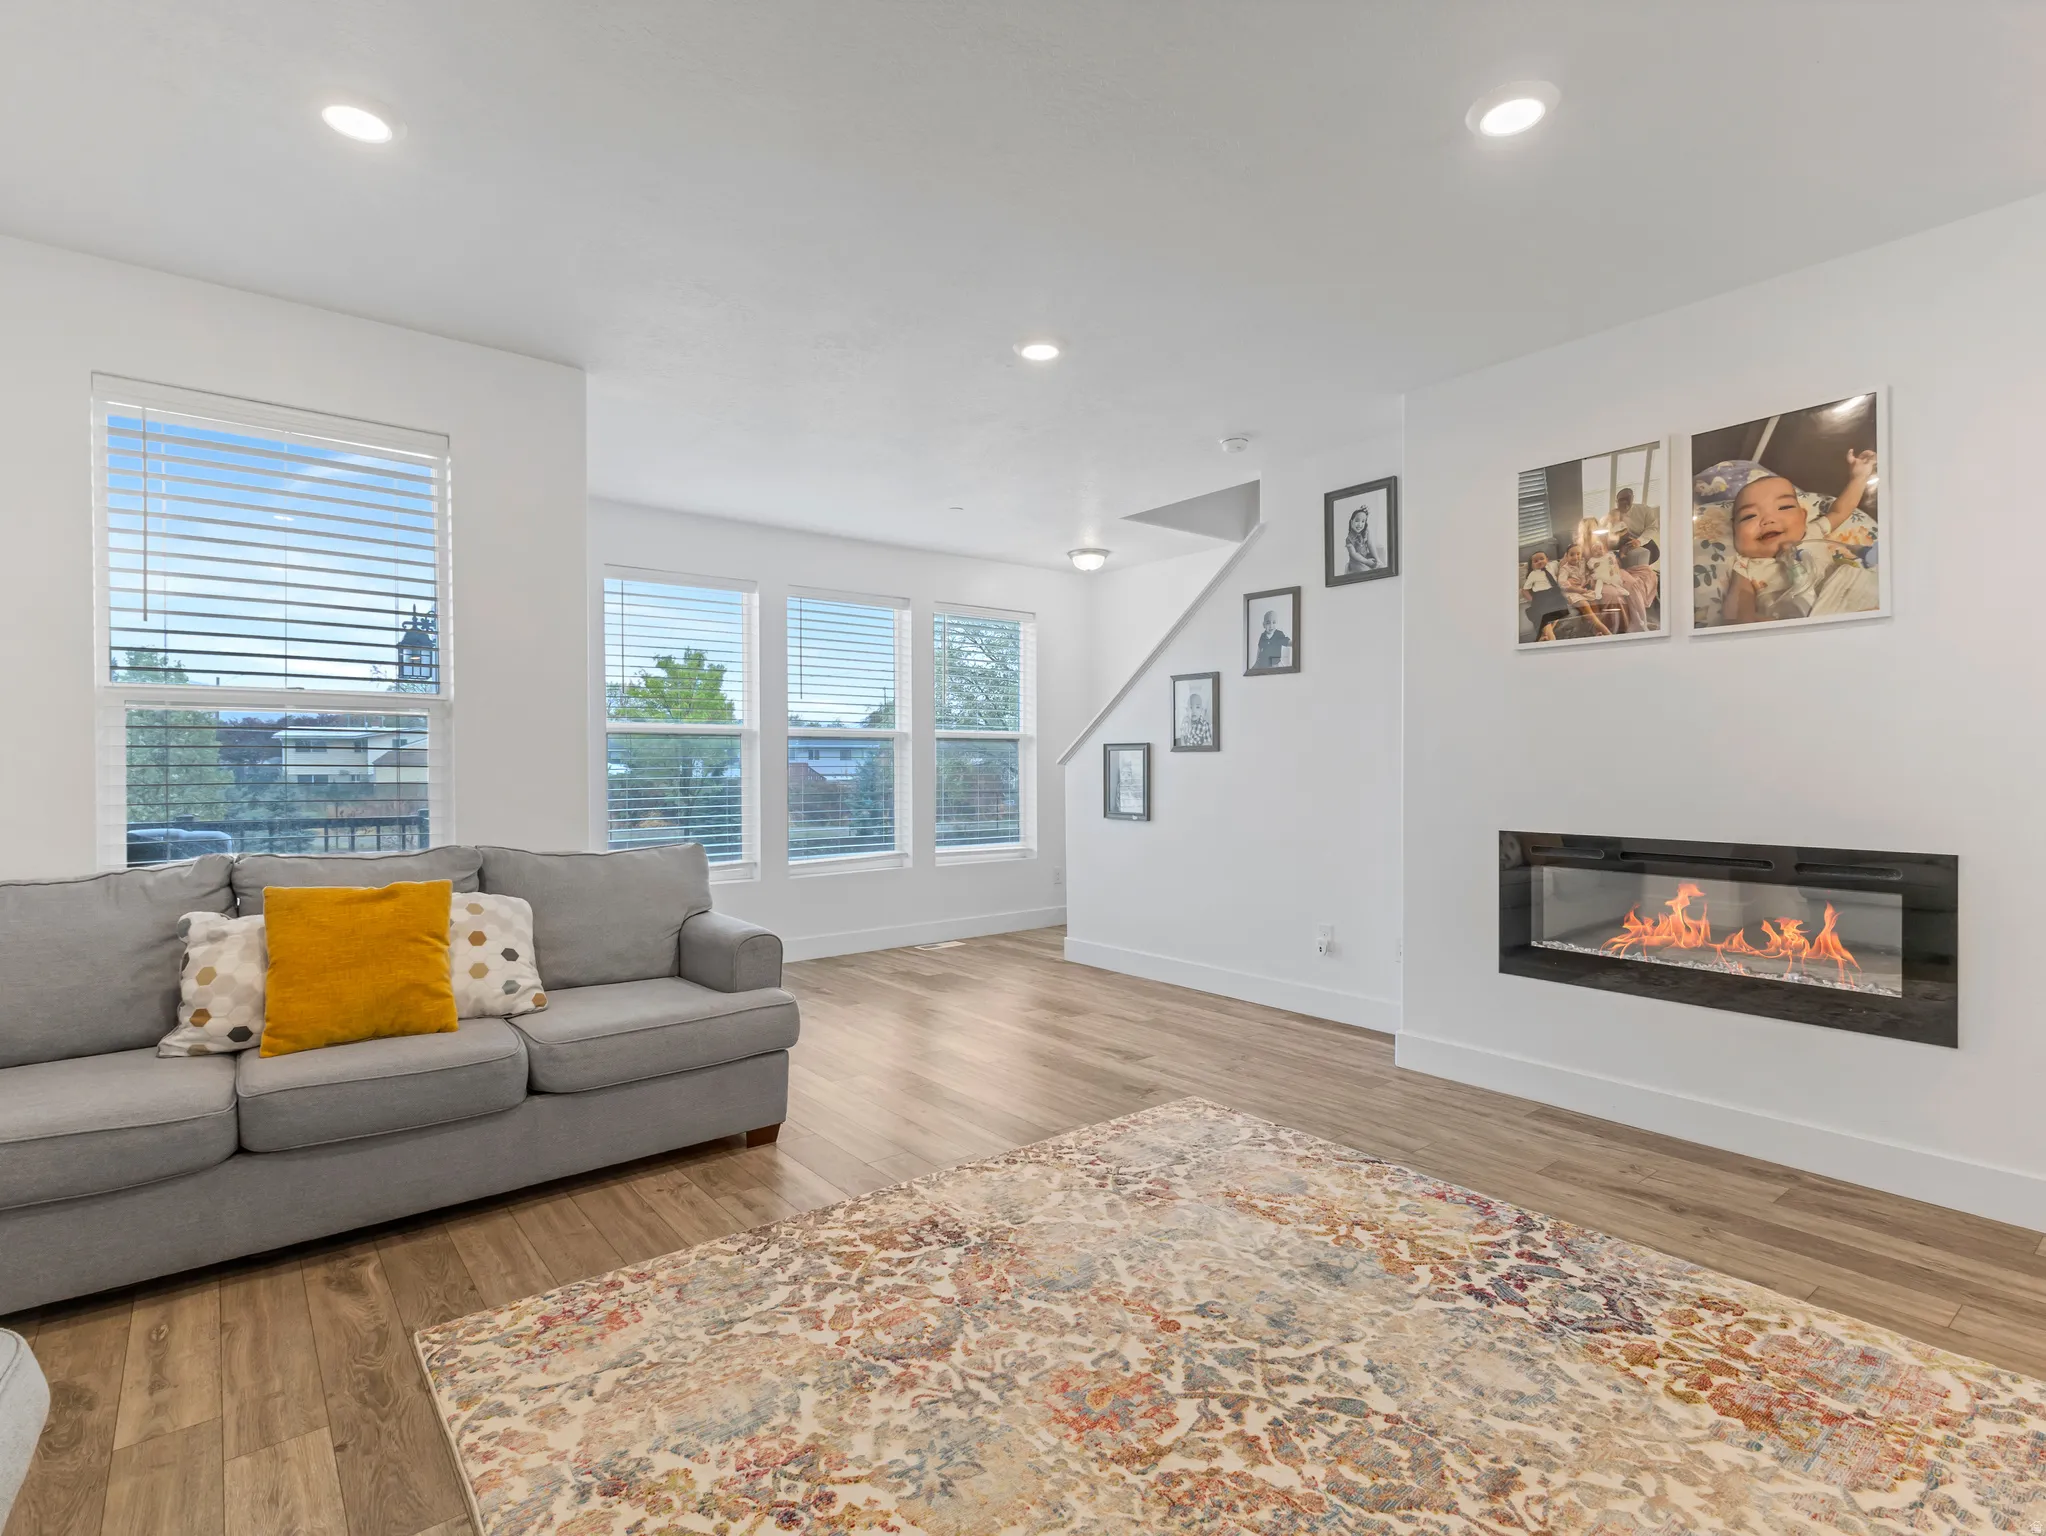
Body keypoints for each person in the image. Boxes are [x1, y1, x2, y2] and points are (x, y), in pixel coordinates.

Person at [1721, 451, 1879, 625]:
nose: (1768, 520)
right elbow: (1738, 614)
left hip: (1847, 593)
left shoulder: (1813, 532)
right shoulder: (1745, 566)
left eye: (1784, 507)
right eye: (1749, 516)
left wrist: (1859, 477)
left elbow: (1840, 511)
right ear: (1734, 530)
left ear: (1803, 517)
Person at [1520, 552, 1575, 639]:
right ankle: (1551, 637)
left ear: (1547, 559)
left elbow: (1562, 562)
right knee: (1543, 615)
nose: (1539, 562)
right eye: (1536, 561)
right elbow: (1524, 590)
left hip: (1554, 594)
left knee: (1560, 609)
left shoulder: (1552, 566)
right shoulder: (1533, 574)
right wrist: (1532, 600)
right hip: (1542, 596)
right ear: (1532, 566)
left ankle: (1544, 636)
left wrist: (1567, 554)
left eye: (1542, 558)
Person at [1343, 504, 1380, 574]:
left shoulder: (1365, 532)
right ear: (1351, 522)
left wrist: (1377, 559)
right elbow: (1354, 554)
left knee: (1379, 565)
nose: (1360, 524)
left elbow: (1370, 545)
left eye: (1363, 521)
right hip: (1357, 562)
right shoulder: (1349, 538)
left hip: (1366, 557)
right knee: (1365, 571)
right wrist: (1366, 562)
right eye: (1357, 521)